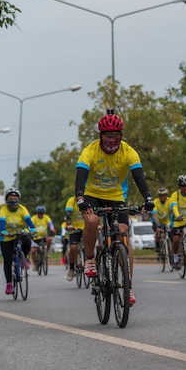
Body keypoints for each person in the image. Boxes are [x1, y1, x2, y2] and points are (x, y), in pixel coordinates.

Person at [75, 111, 154, 306]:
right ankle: (91, 258)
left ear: (121, 136)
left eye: (115, 135)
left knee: (123, 235)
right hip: (92, 195)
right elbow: (80, 176)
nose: (111, 139)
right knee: (92, 221)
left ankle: (128, 285)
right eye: (107, 135)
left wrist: (148, 198)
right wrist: (80, 198)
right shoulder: (90, 151)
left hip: (117, 197)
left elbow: (139, 178)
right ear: (100, 135)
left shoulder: (128, 152)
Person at [0, 188, 37, 295]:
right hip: (6, 236)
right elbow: (2, 221)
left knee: (27, 241)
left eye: (15, 199)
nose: (13, 201)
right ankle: (9, 283)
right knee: (7, 260)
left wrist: (32, 228)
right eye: (11, 199)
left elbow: (28, 220)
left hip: (18, 234)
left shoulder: (22, 208)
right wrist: (3, 231)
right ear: (7, 200)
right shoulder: (3, 209)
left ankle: (22, 257)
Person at [64, 196, 85, 281]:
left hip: (86, 228)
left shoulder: (89, 199)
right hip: (74, 228)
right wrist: (68, 224)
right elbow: (68, 212)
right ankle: (71, 268)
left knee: (90, 246)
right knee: (73, 248)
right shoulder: (71, 200)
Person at [29, 205, 56, 271]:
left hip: (44, 236)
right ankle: (35, 265)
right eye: (39, 213)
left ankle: (46, 253)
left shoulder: (46, 217)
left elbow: (50, 224)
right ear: (37, 213)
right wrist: (30, 231)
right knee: (33, 251)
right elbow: (30, 225)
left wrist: (52, 229)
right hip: (36, 237)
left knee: (49, 239)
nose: (40, 215)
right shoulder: (34, 218)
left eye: (42, 213)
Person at [151, 187, 171, 254]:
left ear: (166, 195)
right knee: (158, 231)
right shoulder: (155, 202)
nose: (162, 197)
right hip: (157, 221)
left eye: (164, 195)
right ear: (158, 196)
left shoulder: (169, 201)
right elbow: (154, 214)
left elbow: (173, 210)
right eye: (161, 195)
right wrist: (158, 223)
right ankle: (157, 245)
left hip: (167, 221)